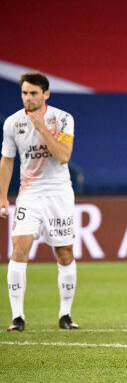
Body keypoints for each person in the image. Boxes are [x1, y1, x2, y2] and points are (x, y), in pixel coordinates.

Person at [1, 71, 78, 331]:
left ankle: (65, 315)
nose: (28, 98)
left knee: (64, 252)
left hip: (59, 194)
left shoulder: (63, 119)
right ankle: (17, 317)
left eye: (33, 93)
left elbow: (64, 156)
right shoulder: (12, 123)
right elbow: (7, 159)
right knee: (19, 250)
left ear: (46, 94)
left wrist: (42, 128)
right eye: (24, 93)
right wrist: (2, 195)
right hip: (29, 195)